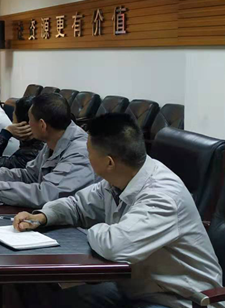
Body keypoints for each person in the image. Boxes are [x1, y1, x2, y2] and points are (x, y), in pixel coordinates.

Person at [13, 113, 223, 308]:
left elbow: (115, 246)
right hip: (138, 288)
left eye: (89, 153)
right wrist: (43, 216)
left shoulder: (162, 197)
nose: (87, 157)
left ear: (109, 162)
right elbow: (78, 205)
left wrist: (94, 229)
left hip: (181, 300)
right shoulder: (119, 179)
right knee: (56, 297)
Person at [0, 93, 95, 208]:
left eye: (30, 120)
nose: (28, 124)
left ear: (42, 125)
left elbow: (48, 194)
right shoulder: (53, 140)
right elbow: (30, 175)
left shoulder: (80, 151)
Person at [0, 96, 45, 170]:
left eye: (13, 119)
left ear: (22, 124)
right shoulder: (38, 145)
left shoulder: (28, 155)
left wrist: (6, 133)